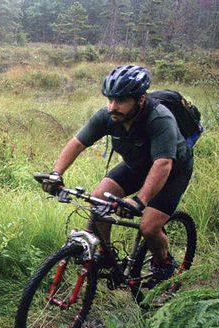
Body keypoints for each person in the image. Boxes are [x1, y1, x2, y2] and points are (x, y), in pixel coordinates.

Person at [42, 64, 194, 281]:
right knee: (97, 201)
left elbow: (163, 164)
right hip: (136, 166)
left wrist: (139, 201)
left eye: (120, 101)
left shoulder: (160, 119)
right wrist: (56, 174)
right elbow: (77, 143)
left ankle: (164, 264)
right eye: (110, 99)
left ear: (140, 99)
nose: (112, 106)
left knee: (148, 227)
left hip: (171, 172)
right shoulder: (108, 116)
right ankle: (105, 254)